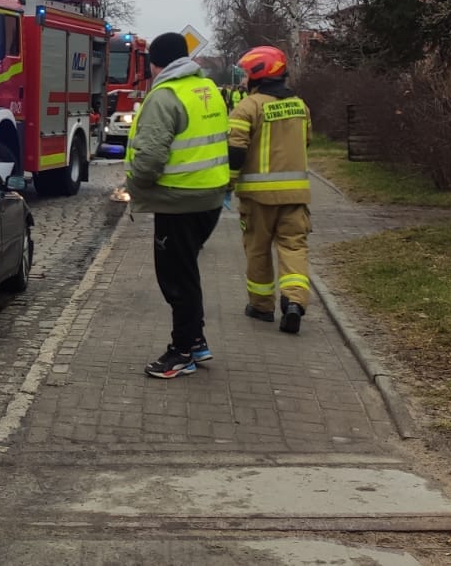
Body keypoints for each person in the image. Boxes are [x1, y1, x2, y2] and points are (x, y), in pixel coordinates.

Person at [124, 32, 231, 379]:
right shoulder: (207, 89)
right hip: (210, 197)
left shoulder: (165, 96)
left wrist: (135, 186)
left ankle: (181, 352)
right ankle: (196, 340)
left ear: (155, 64)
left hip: (178, 201)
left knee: (175, 279)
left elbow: (152, 156)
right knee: (187, 272)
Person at [228, 46, 313, 334]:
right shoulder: (301, 106)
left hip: (257, 198)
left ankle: (262, 306)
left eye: (245, 74)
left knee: (258, 250)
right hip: (296, 196)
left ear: (256, 75)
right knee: (293, 248)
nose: (242, 80)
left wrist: (226, 185)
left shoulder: (248, 107)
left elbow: (235, 151)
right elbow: (307, 142)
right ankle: (293, 303)